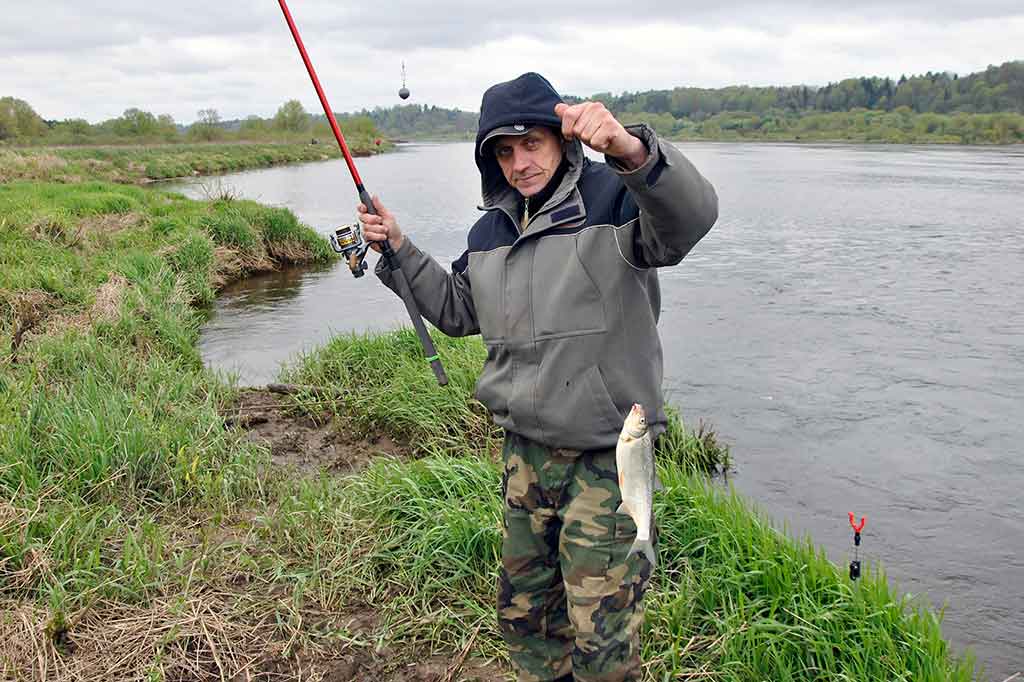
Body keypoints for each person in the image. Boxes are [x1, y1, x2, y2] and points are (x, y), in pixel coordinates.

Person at [357, 72, 718, 682]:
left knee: (601, 639)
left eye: (532, 144)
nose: (520, 163)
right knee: (527, 621)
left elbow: (693, 219)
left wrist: (632, 150)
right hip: (523, 458)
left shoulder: (616, 202)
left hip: (607, 460)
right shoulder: (489, 232)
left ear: (561, 141)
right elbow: (455, 311)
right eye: (504, 151)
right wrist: (399, 248)